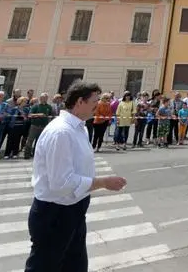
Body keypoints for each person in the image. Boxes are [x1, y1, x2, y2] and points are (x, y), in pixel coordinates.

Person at [24, 81, 127, 272]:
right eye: (94, 102)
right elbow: (61, 183)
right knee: (45, 265)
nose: (98, 107)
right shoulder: (61, 132)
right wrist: (103, 182)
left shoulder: (79, 128)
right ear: (80, 101)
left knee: (75, 265)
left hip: (74, 209)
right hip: (55, 213)